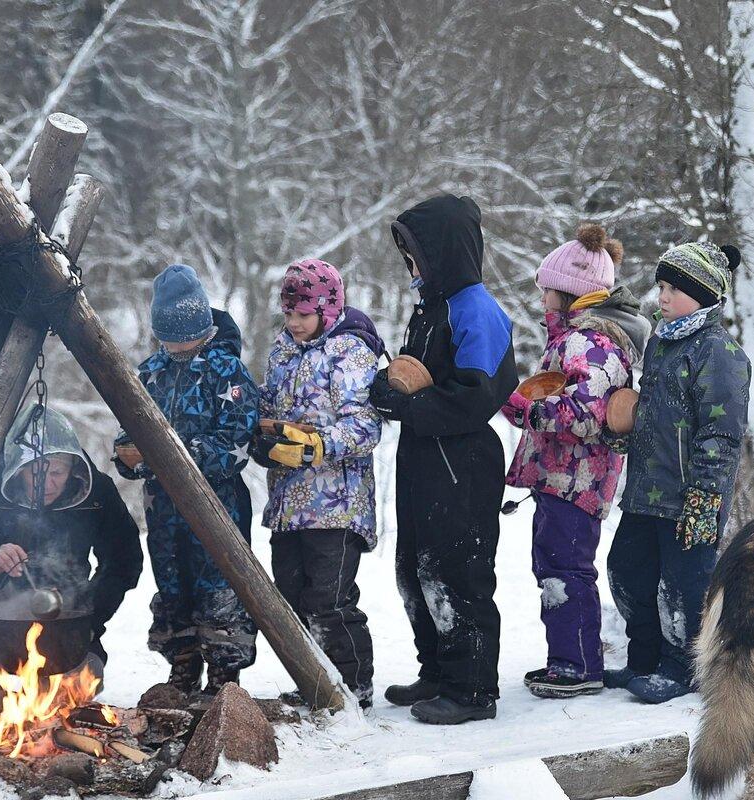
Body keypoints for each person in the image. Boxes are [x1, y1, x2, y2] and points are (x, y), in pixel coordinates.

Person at [369, 193, 518, 725]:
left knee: (456, 573)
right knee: (414, 570)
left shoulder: (476, 310)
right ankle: (436, 671)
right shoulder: (430, 308)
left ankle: (471, 688)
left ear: (443, 253)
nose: (410, 267)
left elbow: (481, 393)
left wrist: (412, 405)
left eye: (416, 256)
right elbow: (415, 374)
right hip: (423, 459)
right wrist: (387, 394)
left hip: (465, 461)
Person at [502, 224, 648, 699]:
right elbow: (558, 395)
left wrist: (529, 410)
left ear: (571, 293)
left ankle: (578, 665)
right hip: (561, 474)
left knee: (566, 567)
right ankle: (569, 658)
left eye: (547, 287)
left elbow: (586, 413)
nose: (541, 296)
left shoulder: (591, 342)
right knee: (554, 563)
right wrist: (520, 402)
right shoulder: (574, 339)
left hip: (577, 476)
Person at [606, 241, 749, 704]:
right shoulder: (662, 344)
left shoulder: (719, 352)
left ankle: (682, 667)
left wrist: (706, 497)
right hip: (645, 490)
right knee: (626, 570)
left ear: (703, 294)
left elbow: (721, 434)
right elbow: (653, 414)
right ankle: (643, 657)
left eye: (673, 289)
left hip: (690, 498)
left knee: (682, 587)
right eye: (661, 287)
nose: (662, 297)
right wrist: (621, 430)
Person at [113, 264, 263, 693]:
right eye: (168, 337)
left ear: (202, 325)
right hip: (163, 509)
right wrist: (131, 457)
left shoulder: (226, 371)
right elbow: (132, 427)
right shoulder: (150, 373)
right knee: (173, 585)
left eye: (184, 336)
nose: (177, 345)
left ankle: (223, 673)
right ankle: (181, 666)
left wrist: (173, 456)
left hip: (217, 504)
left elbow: (236, 438)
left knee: (219, 586)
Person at [0, 402, 142, 709]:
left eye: (57, 472)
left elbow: (123, 560)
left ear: (72, 469)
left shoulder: (96, 492)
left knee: (76, 692)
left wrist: (92, 613)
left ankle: (63, 682)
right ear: (19, 469)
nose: (46, 483)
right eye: (35, 472)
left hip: (67, 616)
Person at [252, 259, 386, 708]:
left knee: (328, 597)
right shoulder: (282, 351)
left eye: (303, 314)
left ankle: (352, 686)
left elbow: (366, 425)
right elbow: (267, 406)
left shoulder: (348, 352)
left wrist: (317, 446)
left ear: (326, 310)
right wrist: (264, 438)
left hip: (338, 501)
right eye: (287, 313)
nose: (293, 323)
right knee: (290, 596)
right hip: (289, 501)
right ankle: (314, 681)